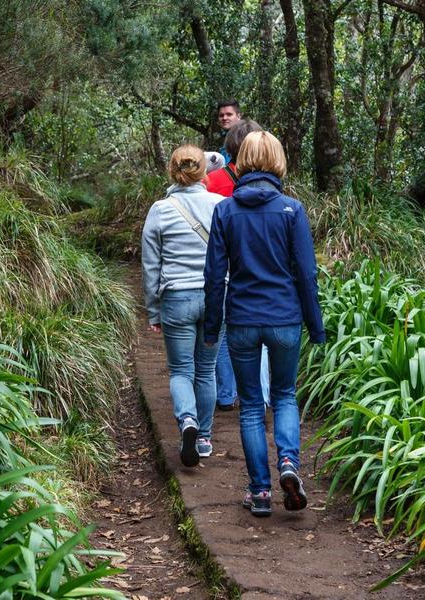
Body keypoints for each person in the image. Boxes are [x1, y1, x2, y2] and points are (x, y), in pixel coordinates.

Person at [203, 131, 325, 517]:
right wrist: (315, 325)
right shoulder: (292, 210)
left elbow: (213, 276)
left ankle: (259, 492)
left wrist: (211, 327)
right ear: (276, 160)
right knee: (285, 395)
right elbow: (307, 274)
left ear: (241, 161)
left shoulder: (224, 211)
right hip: (285, 317)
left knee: (252, 405)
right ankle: (288, 463)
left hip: (241, 319)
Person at [142, 145, 223, 468]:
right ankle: (203, 437)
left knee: (180, 370)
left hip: (177, 297)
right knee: (206, 369)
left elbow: (151, 264)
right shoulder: (221, 205)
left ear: (172, 170)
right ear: (204, 171)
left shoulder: (160, 210)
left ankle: (187, 420)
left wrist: (153, 309)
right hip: (217, 296)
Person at [205, 119, 270, 411]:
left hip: (221, 259)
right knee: (261, 334)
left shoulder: (214, 180)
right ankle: (260, 395)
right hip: (258, 263)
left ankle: (226, 393)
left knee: (223, 327)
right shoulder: (272, 185)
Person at [215, 100, 242, 165]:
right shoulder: (224, 137)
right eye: (221, 115)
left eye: (229, 114)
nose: (224, 118)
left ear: (238, 116)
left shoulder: (244, 136)